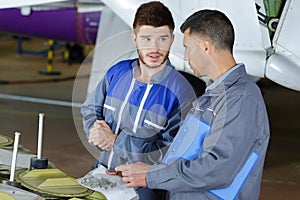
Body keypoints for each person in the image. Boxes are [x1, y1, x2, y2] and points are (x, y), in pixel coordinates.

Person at [115, 9, 270, 200]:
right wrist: (140, 169)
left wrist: (151, 176)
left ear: (206, 47)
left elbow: (217, 169)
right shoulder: (213, 94)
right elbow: (185, 151)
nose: (186, 57)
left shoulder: (240, 99)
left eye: (188, 48)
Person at [80, 1, 196, 199]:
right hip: (103, 175)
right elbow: (90, 110)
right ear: (134, 39)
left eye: (162, 38)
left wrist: (117, 142)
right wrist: (95, 130)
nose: (154, 47)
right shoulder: (116, 73)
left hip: (145, 191)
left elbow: (172, 154)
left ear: (171, 39)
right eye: (146, 38)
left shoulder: (182, 93)